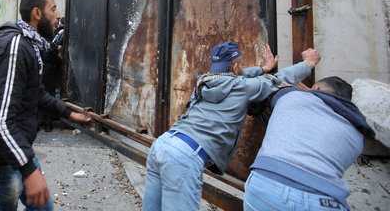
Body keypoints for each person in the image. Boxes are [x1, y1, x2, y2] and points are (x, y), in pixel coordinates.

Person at [142, 41, 321, 211]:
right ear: (235, 67)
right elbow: (276, 80)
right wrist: (308, 63)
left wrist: (263, 68)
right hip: (185, 156)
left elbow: (238, 77)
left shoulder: (204, 80)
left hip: (162, 144)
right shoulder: (241, 87)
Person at [0, 0, 93, 211]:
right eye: (53, 9)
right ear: (37, 13)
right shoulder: (15, 48)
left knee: (43, 206)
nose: (57, 15)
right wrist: (28, 169)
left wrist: (68, 113)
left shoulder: (30, 44)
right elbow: (0, 122)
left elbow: (35, 92)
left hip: (14, 150)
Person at [244, 76, 374, 211]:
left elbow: (271, 87)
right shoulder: (358, 136)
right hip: (324, 200)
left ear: (316, 88)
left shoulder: (290, 96)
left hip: (265, 185)